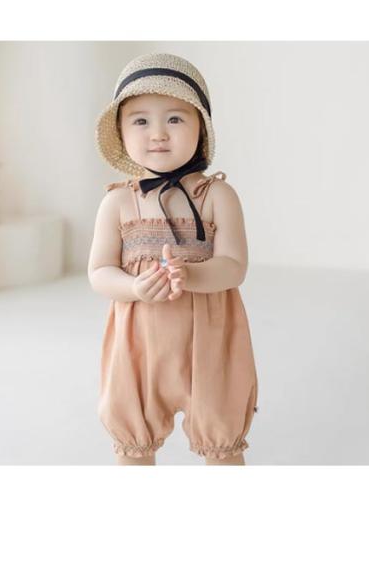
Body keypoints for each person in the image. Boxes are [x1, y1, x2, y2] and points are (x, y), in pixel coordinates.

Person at [88, 52, 259, 465]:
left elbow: (234, 265)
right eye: (140, 121)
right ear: (121, 132)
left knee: (222, 443)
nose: (158, 134)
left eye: (176, 119)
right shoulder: (118, 202)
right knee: (133, 445)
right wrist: (134, 286)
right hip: (139, 348)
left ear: (201, 128)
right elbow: (99, 272)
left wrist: (192, 275)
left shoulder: (217, 196)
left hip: (210, 343)